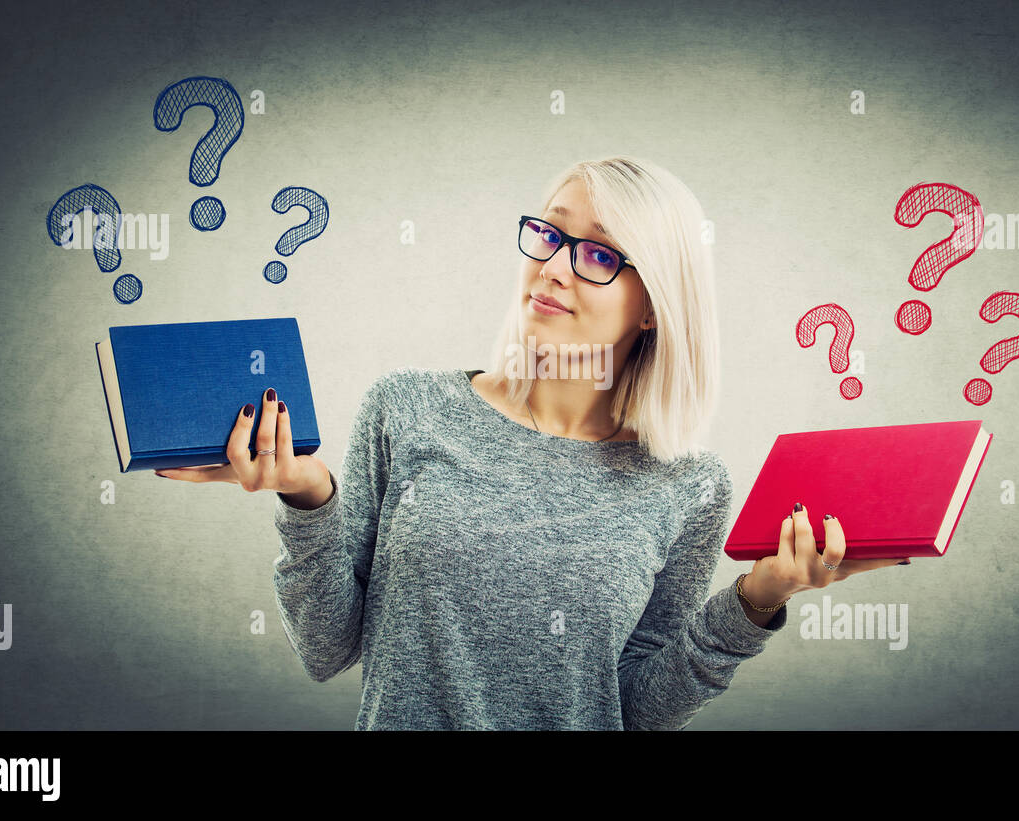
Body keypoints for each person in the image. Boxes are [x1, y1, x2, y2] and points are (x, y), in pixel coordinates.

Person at [155, 156, 904, 730]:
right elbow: (327, 649)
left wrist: (758, 598)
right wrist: (306, 495)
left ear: (656, 304)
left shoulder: (689, 485)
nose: (552, 265)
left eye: (600, 254)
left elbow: (638, 705)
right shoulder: (407, 407)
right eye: (550, 232)